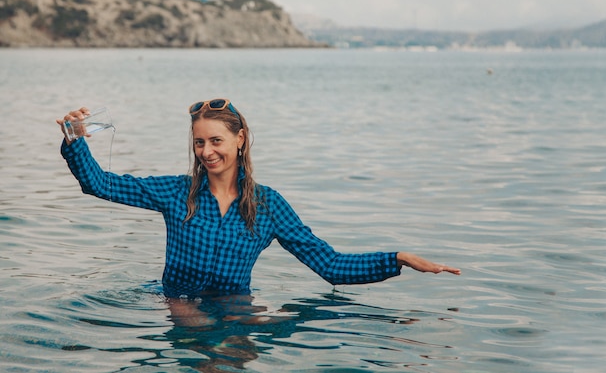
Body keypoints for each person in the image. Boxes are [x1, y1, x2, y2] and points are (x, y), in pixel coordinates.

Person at [57, 99, 461, 299]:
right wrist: (74, 137)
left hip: (235, 309)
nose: (206, 151)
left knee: (242, 343)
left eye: (216, 140)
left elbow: (331, 266)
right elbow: (100, 184)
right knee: (191, 322)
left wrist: (398, 259)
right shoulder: (176, 192)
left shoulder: (268, 207)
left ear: (240, 139)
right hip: (176, 303)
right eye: (199, 142)